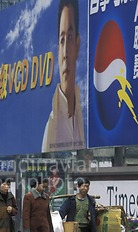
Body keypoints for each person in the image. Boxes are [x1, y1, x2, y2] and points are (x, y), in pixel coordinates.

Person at [42, 0, 84, 152]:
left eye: (70, 38)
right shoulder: (52, 127)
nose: (66, 52)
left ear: (78, 45)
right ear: (58, 51)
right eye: (62, 40)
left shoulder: (84, 115)